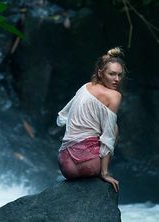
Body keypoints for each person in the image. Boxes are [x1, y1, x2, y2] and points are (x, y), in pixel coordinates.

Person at [56, 47, 126, 192]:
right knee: (114, 128)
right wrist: (105, 173)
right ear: (100, 72)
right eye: (112, 74)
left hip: (65, 165)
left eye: (120, 75)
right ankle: (104, 171)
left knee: (102, 125)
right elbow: (108, 136)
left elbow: (62, 117)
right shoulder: (114, 96)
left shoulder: (85, 87)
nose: (117, 79)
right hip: (89, 165)